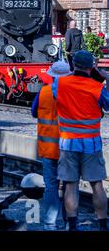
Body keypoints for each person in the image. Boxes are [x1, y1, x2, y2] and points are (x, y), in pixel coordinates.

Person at [53, 50, 109, 231]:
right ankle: (102, 224)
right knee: (97, 184)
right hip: (92, 143)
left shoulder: (59, 84)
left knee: (70, 184)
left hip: (68, 142)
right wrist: (104, 78)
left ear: (73, 65)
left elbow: (55, 97)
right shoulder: (97, 87)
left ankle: (72, 226)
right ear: (91, 67)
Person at [31, 61, 72, 230]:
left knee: (51, 186)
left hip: (48, 148)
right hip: (68, 147)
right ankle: (69, 221)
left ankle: (50, 223)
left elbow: (34, 112)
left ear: (51, 75)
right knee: (70, 185)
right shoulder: (72, 93)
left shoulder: (43, 92)